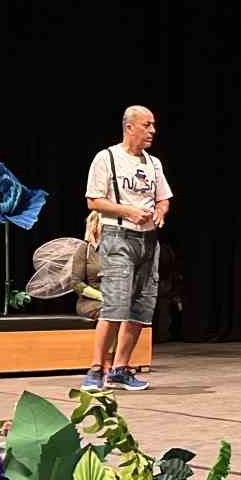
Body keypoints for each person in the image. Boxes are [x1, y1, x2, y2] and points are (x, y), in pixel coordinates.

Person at [83, 105, 172, 392]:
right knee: (115, 304)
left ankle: (120, 369)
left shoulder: (153, 163)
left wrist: (160, 211)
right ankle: (96, 369)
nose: (152, 131)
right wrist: (128, 211)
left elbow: (164, 198)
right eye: (147, 125)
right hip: (118, 236)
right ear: (130, 126)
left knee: (141, 307)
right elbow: (94, 201)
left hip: (148, 241)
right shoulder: (106, 158)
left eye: (153, 125)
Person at [70, 212, 104, 322]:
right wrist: (102, 296)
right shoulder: (85, 249)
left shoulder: (118, 250)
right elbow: (76, 283)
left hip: (118, 300)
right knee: (111, 313)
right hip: (92, 302)